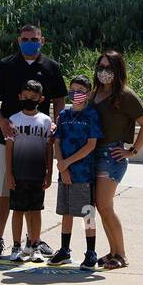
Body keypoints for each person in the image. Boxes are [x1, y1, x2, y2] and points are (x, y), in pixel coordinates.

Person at [0, 24, 66, 259]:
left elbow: (60, 99)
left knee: (34, 194)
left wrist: (56, 124)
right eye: (25, 38)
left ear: (42, 40)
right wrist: (0, 120)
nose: (29, 41)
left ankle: (35, 241)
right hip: (7, 139)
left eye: (34, 38)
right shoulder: (6, 65)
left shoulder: (52, 67)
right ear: (18, 40)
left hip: (39, 143)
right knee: (3, 191)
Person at [90, 51, 143, 270]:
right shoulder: (94, 93)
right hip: (93, 154)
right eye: (101, 67)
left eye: (109, 68)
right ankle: (113, 251)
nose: (104, 72)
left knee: (104, 205)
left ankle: (122, 254)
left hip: (112, 156)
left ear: (118, 71)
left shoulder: (125, 95)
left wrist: (132, 150)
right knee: (101, 206)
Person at [49, 74, 103, 270]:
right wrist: (62, 165)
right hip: (65, 174)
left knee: (87, 213)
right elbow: (57, 142)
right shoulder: (64, 115)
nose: (75, 94)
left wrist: (68, 163)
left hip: (84, 173)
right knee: (66, 212)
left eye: (80, 91)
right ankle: (64, 250)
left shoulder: (91, 115)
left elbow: (91, 145)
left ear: (87, 94)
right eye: (72, 90)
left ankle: (91, 252)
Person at [4, 80, 54, 262]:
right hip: (18, 174)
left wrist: (49, 173)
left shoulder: (46, 121)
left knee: (36, 211)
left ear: (41, 99)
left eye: (33, 98)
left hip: (37, 174)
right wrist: (8, 173)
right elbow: (8, 148)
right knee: (17, 210)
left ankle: (34, 246)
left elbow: (49, 148)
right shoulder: (13, 120)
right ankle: (16, 246)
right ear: (20, 96)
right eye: (25, 97)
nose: (29, 100)